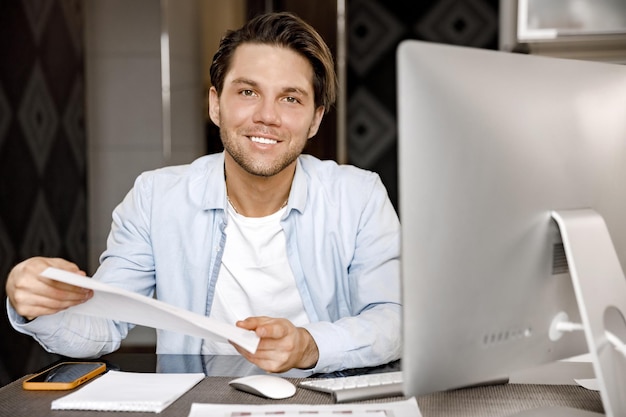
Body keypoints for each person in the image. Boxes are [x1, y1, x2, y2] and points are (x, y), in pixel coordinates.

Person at [5, 11, 401, 374]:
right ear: (216, 104)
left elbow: (393, 320)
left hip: (324, 406)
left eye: (290, 98)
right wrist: (40, 306)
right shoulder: (156, 197)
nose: (267, 115)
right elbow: (103, 324)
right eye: (247, 92)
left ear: (315, 120)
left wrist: (308, 346)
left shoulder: (358, 196)